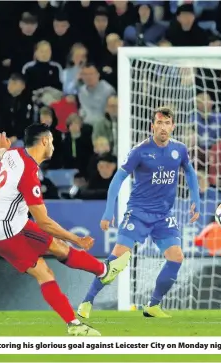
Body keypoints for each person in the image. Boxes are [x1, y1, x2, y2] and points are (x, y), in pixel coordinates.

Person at [0, 124, 128, 336]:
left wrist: (1, 150)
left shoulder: (14, 153)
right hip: (3, 231)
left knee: (57, 246)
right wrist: (76, 239)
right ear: (45, 142)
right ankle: (74, 325)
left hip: (5, 220)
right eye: (53, 142)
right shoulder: (28, 173)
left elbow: (5, 157)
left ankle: (104, 272)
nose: (54, 147)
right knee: (44, 272)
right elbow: (44, 222)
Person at [78, 106, 201, 319]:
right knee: (116, 262)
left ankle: (153, 305)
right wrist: (109, 211)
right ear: (152, 126)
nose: (163, 127)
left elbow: (189, 172)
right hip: (138, 213)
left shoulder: (179, 150)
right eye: (159, 123)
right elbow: (118, 178)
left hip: (163, 215)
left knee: (176, 257)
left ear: (173, 126)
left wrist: (196, 200)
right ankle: (87, 301)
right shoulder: (140, 151)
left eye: (167, 123)